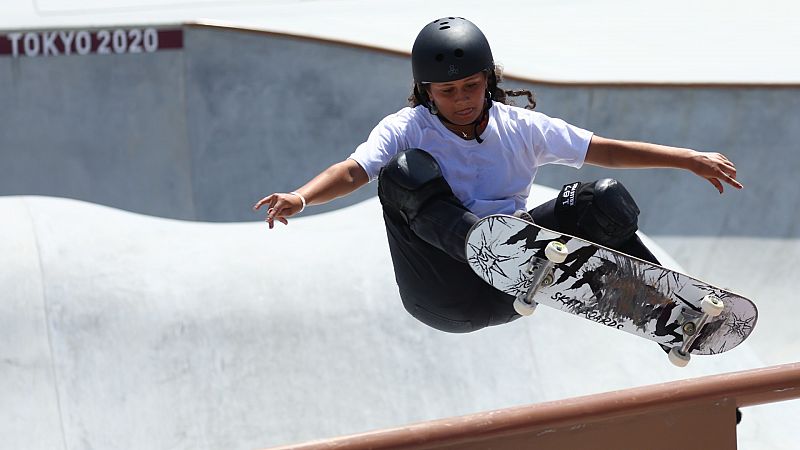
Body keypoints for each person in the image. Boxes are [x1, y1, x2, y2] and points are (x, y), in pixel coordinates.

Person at [253, 17, 742, 334]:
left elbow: (603, 150)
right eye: (448, 91)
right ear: (426, 92)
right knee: (402, 173)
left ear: (490, 78)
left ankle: (670, 307)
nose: (462, 99)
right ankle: (492, 248)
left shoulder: (521, 127)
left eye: (472, 85)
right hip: (440, 287)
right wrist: (301, 197)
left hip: (511, 286)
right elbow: (354, 170)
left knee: (602, 198)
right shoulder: (407, 129)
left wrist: (687, 157)